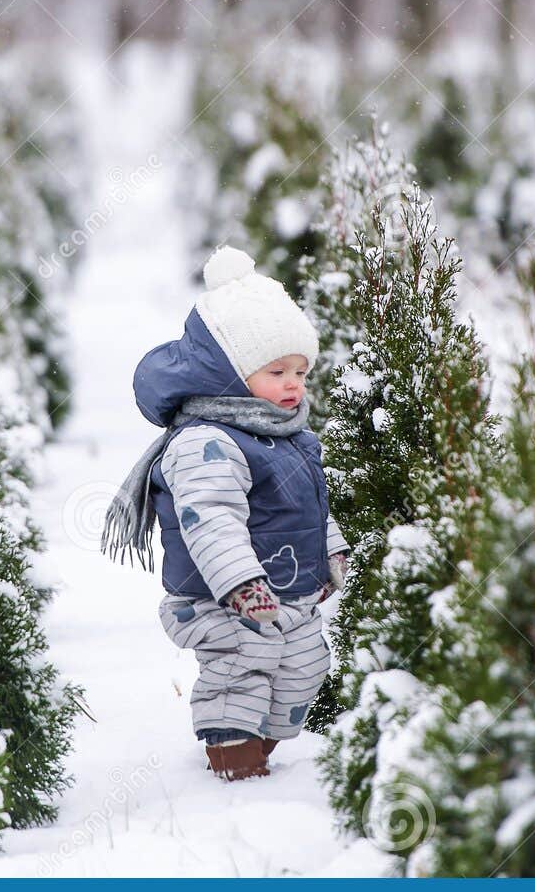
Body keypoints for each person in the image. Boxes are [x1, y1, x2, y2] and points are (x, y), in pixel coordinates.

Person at [102, 245, 349, 780]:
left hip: (288, 592)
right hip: (218, 598)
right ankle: (232, 762)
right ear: (232, 375)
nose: (293, 385)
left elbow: (311, 500)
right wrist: (239, 583)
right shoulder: (206, 441)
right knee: (242, 668)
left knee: (306, 666)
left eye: (301, 372)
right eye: (277, 371)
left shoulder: (293, 438)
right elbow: (208, 519)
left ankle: (261, 750)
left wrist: (328, 549)